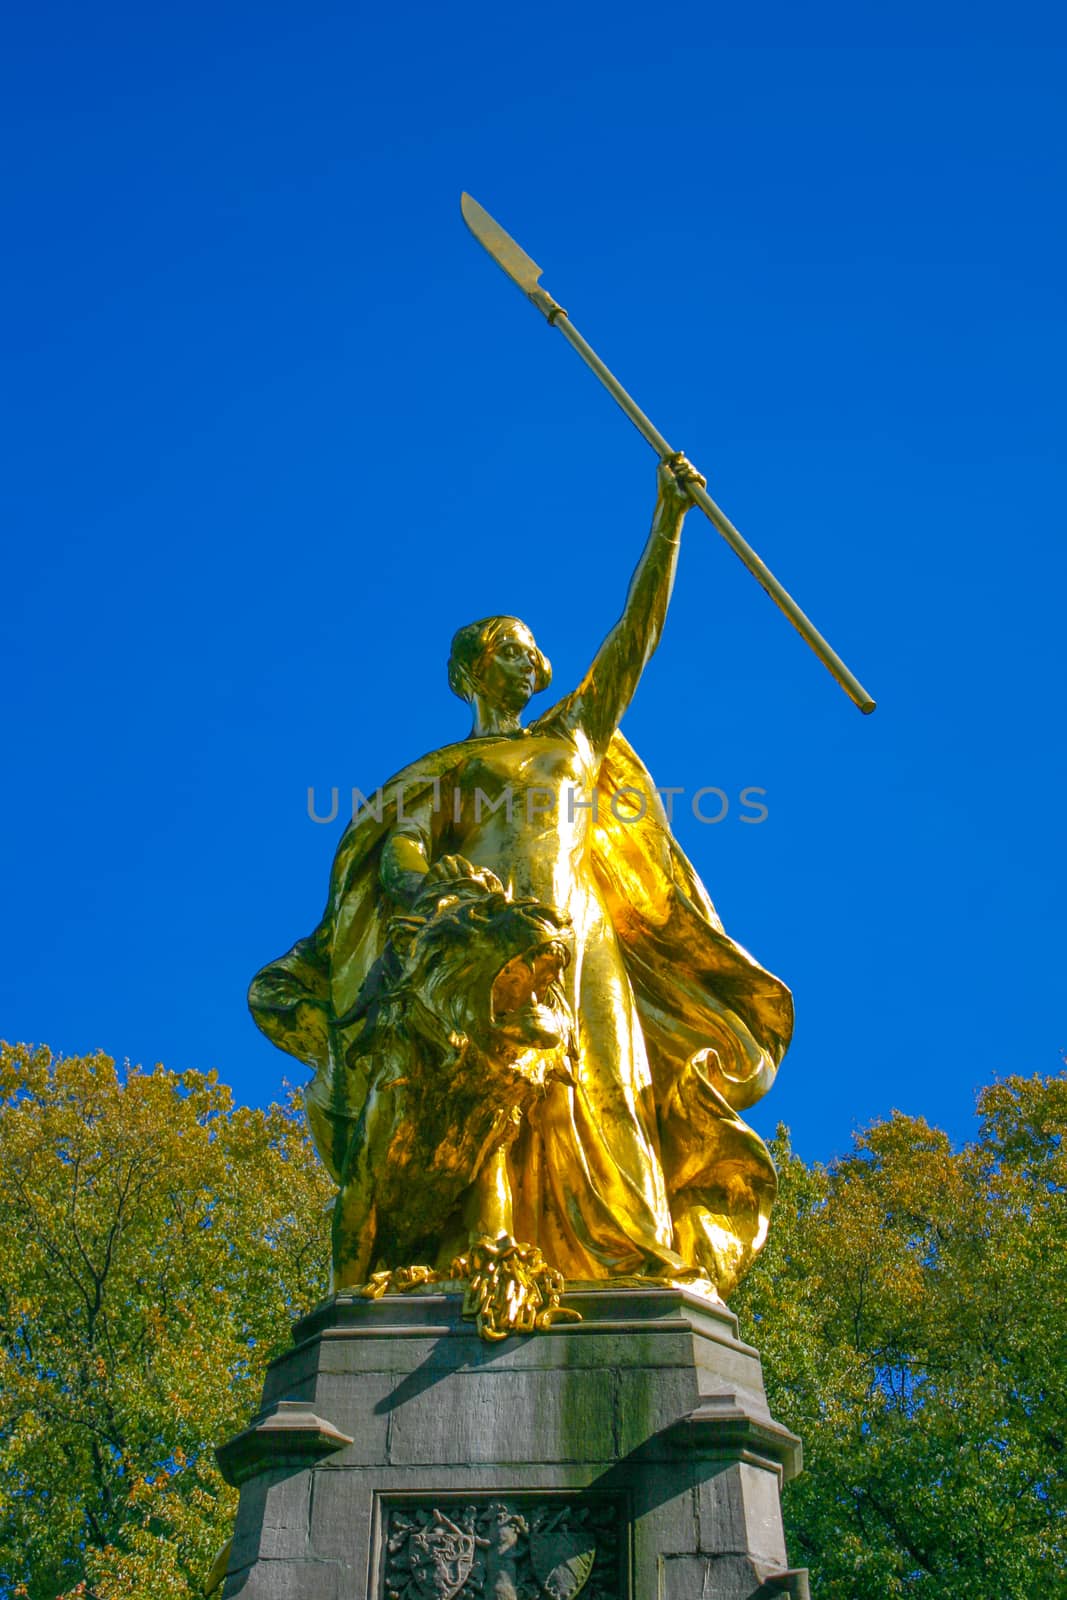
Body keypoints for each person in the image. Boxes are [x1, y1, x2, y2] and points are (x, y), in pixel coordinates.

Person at [250, 456, 793, 1301]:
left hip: (580, 940)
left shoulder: (572, 736)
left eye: (533, 652)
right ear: (474, 670)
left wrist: (668, 522)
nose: (531, 660)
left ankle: (638, 1260)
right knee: (478, 1111)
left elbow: (633, 638)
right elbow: (404, 851)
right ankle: (477, 1256)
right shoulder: (445, 768)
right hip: (480, 949)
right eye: (513, 649)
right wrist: (423, 903)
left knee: (608, 1098)